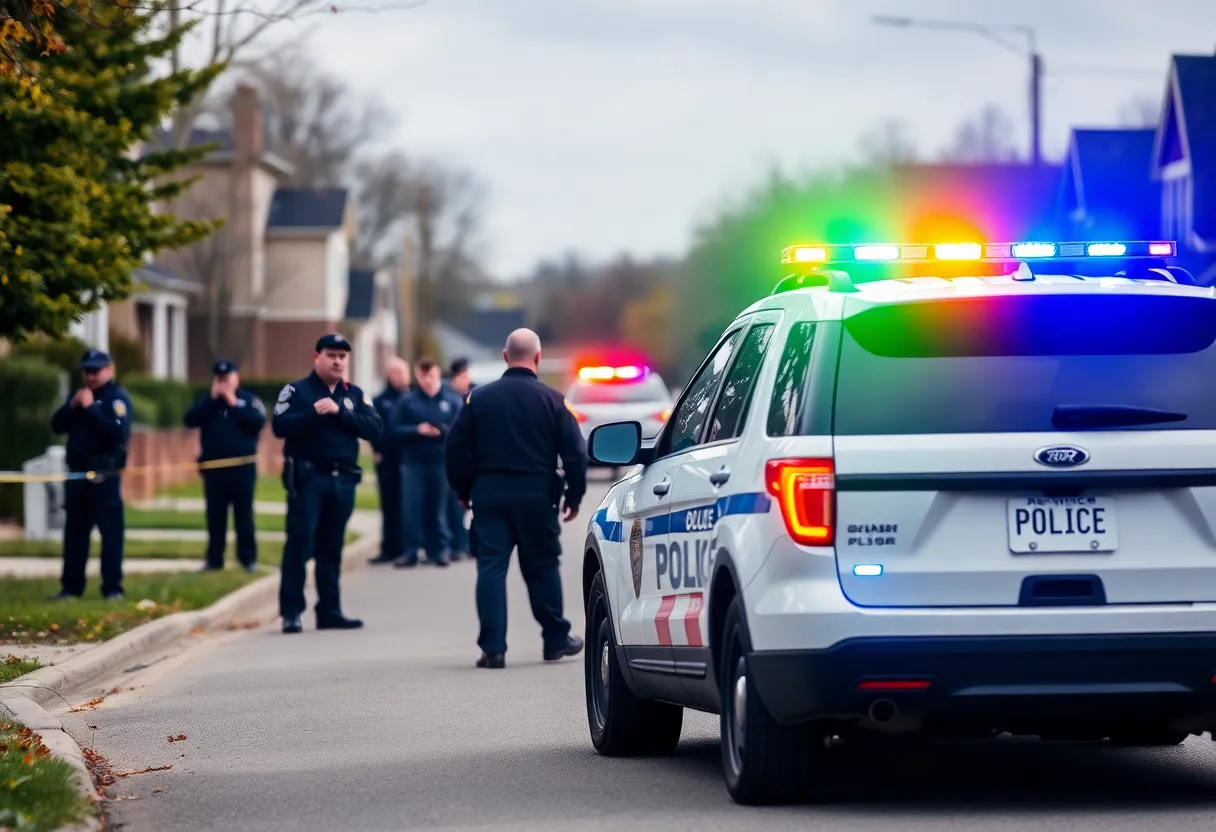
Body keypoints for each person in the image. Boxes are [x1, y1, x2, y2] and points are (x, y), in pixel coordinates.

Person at [445, 328, 587, 669]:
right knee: (542, 567)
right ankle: (555, 640)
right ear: (538, 358)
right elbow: (576, 454)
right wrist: (575, 497)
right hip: (537, 495)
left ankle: (493, 649)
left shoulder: (477, 400)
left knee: (491, 568)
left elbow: (454, 451)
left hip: (490, 495)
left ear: (505, 357)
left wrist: (465, 492)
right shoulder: (553, 400)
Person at [272, 333, 382, 633]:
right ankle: (291, 612)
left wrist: (341, 412)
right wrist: (313, 413)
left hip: (343, 479)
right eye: (331, 355)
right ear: (316, 357)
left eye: (342, 356)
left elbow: (374, 428)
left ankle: (330, 610)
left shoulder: (355, 394)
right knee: (299, 544)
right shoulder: (297, 390)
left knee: (331, 547)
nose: (337, 361)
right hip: (309, 479)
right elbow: (279, 425)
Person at [49, 349, 133, 600]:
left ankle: (112, 588)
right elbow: (56, 425)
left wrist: (92, 408)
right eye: (87, 371)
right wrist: (73, 405)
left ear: (109, 370)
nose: (91, 376)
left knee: (110, 535)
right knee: (75, 534)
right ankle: (71, 587)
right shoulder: (79, 397)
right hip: (77, 476)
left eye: (96, 371)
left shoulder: (116, 399)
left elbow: (116, 434)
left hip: (104, 476)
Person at [183, 359, 266, 573]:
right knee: (215, 516)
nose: (223, 383)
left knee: (243, 515)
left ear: (236, 378)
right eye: (219, 379)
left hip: (242, 469)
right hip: (214, 469)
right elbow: (190, 419)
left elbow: (256, 423)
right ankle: (214, 559)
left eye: (226, 378)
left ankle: (247, 558)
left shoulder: (248, 400)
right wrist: (211, 400)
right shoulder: (208, 403)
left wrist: (233, 402)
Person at [390, 357, 462, 568]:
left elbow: (461, 433)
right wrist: (417, 430)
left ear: (438, 374)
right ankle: (411, 551)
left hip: (441, 463)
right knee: (411, 509)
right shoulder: (407, 401)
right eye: (423, 376)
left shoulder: (452, 401)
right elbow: (392, 429)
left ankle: (440, 550)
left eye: (431, 375)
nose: (427, 380)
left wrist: (442, 431)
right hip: (414, 464)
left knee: (438, 510)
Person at [369, 357, 410, 565]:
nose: (403, 377)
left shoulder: (411, 398)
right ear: (389, 375)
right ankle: (389, 548)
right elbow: (375, 429)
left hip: (410, 460)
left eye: (405, 372)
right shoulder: (380, 401)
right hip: (387, 460)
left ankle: (408, 547)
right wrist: (376, 450)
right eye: (398, 373)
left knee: (408, 505)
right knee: (389, 505)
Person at [444, 358, 475, 560]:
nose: (467, 379)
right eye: (463, 376)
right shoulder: (449, 398)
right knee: (454, 507)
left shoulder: (472, 396)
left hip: (472, 460)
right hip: (455, 461)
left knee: (470, 511)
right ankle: (456, 544)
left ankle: (469, 544)